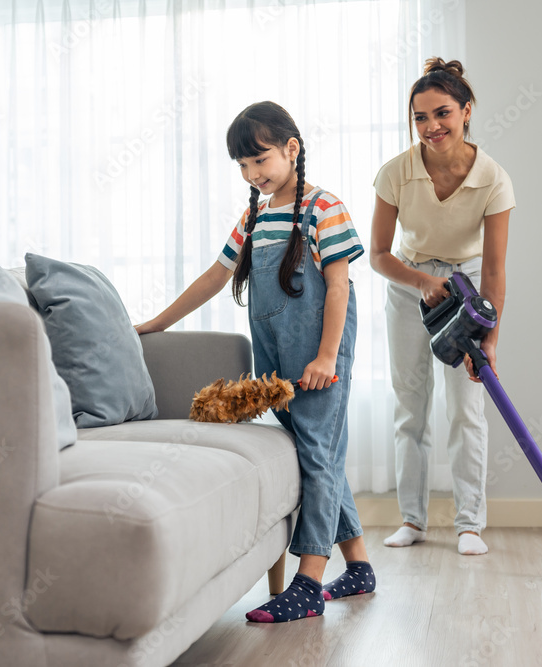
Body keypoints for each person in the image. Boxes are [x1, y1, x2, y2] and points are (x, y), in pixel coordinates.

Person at [136, 101, 374, 622]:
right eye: (242, 167)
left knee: (317, 451)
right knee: (319, 449)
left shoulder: (323, 207)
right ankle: (358, 565)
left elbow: (338, 287)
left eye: (259, 160)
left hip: (318, 355)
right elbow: (214, 277)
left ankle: (308, 583)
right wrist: (156, 323)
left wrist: (327, 355)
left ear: (292, 149)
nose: (252, 174)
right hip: (276, 357)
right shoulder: (257, 215)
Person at [370, 58, 515, 556]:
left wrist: (490, 339)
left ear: (467, 111)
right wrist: (422, 282)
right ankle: (412, 519)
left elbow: (494, 269)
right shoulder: (396, 173)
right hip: (411, 282)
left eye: (443, 113)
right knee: (410, 405)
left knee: (466, 410)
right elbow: (379, 255)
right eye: (420, 117)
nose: (431, 126)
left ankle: (469, 524)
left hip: (468, 286)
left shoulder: (493, 179)